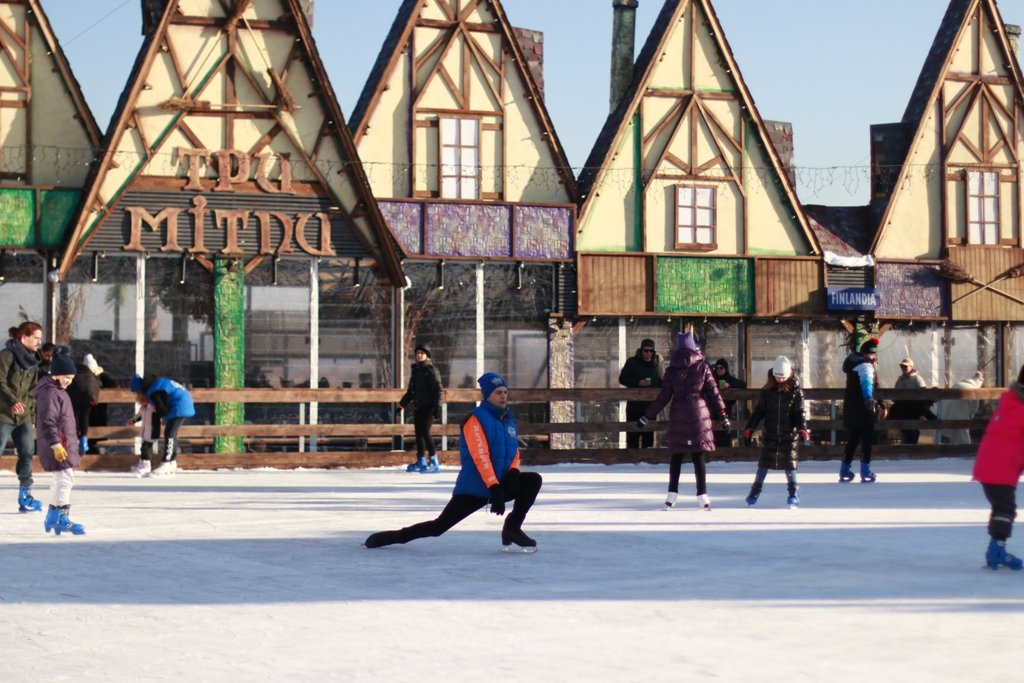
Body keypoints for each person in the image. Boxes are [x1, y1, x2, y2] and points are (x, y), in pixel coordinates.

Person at [365, 372, 543, 553]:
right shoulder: (475, 420)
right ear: (487, 395)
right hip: (476, 487)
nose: (503, 396)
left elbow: (514, 451)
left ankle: (512, 528)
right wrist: (494, 487)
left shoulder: (509, 421)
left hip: (500, 483)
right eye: (498, 392)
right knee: (438, 527)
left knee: (533, 480)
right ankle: (395, 536)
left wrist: (513, 472)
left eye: (505, 392)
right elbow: (480, 455)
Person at [636, 330, 727, 511]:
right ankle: (702, 496)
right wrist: (723, 414)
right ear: (693, 348)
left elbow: (663, 397)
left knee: (677, 456)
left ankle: (671, 495)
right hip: (699, 415)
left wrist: (647, 416)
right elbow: (714, 392)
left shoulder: (671, 370)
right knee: (698, 456)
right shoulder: (703, 367)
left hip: (679, 414)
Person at [972, 363, 1024, 571]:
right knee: (1005, 509)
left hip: (988, 465)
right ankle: (997, 550)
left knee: (1001, 508)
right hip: (1001, 468)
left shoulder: (1010, 403)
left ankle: (995, 549)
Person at [742, 357, 808, 508]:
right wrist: (750, 427)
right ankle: (754, 491)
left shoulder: (796, 391)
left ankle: (793, 493)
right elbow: (759, 411)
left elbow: (799, 412)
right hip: (770, 433)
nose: (780, 380)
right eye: (778, 377)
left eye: (783, 377)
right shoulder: (767, 391)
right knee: (763, 464)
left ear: (789, 374)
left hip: (789, 434)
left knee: (790, 464)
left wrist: (802, 428)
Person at [36, 348, 85, 535]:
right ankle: (61, 518)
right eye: (67, 377)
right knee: (65, 479)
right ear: (56, 374)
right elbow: (47, 421)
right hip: (58, 444)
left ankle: (52, 516)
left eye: (72, 378)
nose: (69, 382)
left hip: (62, 443)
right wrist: (56, 445)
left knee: (60, 479)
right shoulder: (50, 393)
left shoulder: (58, 390)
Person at [1, 322, 44, 513]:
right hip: (3, 413)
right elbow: (0, 381)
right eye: (36, 338)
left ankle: (25, 495)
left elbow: (33, 391)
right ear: (24, 337)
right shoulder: (7, 355)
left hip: (24, 416)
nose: (39, 342)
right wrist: (12, 400)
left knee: (27, 453)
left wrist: (32, 415)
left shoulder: (32, 361)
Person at [128, 373, 195, 476]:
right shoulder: (155, 385)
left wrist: (153, 408)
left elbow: (162, 411)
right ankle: (171, 462)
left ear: (140, 390)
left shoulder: (154, 391)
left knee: (170, 434)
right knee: (171, 433)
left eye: (137, 392)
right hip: (182, 402)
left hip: (180, 405)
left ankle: (166, 462)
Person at [840, 337, 882, 483]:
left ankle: (844, 470)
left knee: (852, 440)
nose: (873, 356)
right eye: (872, 354)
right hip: (864, 409)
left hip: (852, 408)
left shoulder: (852, 364)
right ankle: (865, 471)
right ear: (866, 354)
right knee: (867, 441)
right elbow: (867, 382)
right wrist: (869, 398)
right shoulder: (865, 366)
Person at [397, 345, 444, 473]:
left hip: (429, 406)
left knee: (425, 432)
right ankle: (421, 460)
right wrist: (401, 405)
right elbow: (411, 391)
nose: (419, 355)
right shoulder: (416, 370)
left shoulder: (430, 370)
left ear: (427, 355)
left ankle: (433, 461)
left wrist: (437, 407)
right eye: (417, 353)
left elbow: (438, 389)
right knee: (418, 434)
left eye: (422, 353)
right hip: (419, 406)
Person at [618, 338, 663, 448]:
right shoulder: (632, 362)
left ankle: (646, 458)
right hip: (634, 407)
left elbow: (661, 382)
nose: (648, 353)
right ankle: (632, 458)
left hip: (650, 409)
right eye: (646, 350)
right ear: (641, 350)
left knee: (648, 440)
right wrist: (638, 382)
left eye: (651, 351)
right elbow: (622, 379)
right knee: (632, 439)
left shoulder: (656, 365)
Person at [886, 358, 935, 445]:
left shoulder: (917, 379)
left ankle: (908, 449)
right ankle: (908, 449)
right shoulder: (899, 381)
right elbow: (895, 396)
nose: (903, 368)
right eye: (902, 366)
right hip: (902, 412)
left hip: (909, 412)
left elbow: (922, 394)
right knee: (911, 433)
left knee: (913, 432)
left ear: (911, 367)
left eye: (905, 366)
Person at [67, 355, 101, 456]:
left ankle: (75, 440)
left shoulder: (75, 371)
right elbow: (99, 383)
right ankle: (84, 440)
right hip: (89, 396)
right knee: (85, 416)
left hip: (75, 396)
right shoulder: (92, 374)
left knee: (75, 416)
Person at [942, 371, 984, 445]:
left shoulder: (958, 384)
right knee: (963, 437)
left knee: (946, 434)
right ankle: (965, 450)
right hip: (960, 413)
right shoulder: (974, 389)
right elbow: (974, 408)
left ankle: (943, 448)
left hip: (946, 409)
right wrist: (971, 416)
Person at [712, 358, 746, 447]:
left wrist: (729, 385)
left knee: (725, 436)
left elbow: (742, 384)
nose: (719, 370)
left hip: (726, 411)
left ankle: (726, 453)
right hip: (713, 412)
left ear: (725, 369)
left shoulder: (728, 379)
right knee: (713, 436)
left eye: (721, 368)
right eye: (717, 368)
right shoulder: (712, 379)